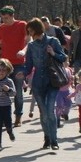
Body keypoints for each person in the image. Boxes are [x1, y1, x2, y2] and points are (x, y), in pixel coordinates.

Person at [20, 17, 67, 150]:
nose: (29, 33)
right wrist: (23, 74)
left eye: (30, 30)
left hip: (52, 80)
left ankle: (54, 140)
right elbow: (28, 65)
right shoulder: (31, 46)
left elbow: (63, 57)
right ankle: (47, 137)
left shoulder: (53, 41)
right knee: (43, 112)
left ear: (36, 29)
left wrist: (53, 53)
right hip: (38, 83)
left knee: (50, 110)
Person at [0, 6, 28, 126]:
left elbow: (29, 41)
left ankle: (18, 115)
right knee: (2, 90)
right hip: (5, 64)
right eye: (2, 18)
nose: (4, 20)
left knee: (18, 91)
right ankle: (5, 116)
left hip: (19, 63)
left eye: (6, 18)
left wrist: (23, 51)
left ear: (12, 16)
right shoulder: (1, 28)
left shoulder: (22, 25)